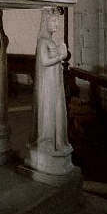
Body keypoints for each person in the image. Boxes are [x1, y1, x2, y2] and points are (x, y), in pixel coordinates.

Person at [30, 8, 71, 152]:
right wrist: (62, 55)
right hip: (48, 84)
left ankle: (57, 140)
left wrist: (61, 52)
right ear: (45, 22)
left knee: (56, 108)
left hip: (55, 82)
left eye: (57, 21)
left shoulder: (50, 41)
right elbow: (45, 61)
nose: (56, 25)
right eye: (53, 21)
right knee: (48, 109)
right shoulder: (43, 42)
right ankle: (47, 140)